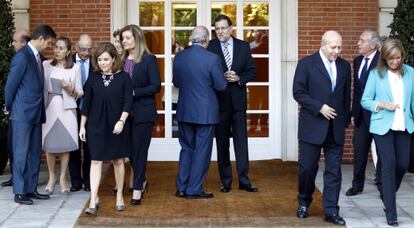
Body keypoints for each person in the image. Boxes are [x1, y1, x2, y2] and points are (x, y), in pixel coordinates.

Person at [292, 30, 351, 225]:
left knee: (334, 171)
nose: (337, 51)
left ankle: (331, 211)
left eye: (339, 47)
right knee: (307, 169)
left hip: (335, 128)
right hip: (312, 126)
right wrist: (320, 107)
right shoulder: (306, 64)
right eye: (333, 47)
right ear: (323, 44)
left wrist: (344, 121)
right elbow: (298, 92)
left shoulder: (344, 66)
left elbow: (345, 96)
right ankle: (303, 202)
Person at [361, 38, 414, 227]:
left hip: (404, 126)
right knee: (389, 165)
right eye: (391, 59)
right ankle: (391, 212)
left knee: (402, 165)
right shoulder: (376, 74)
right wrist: (382, 104)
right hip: (382, 126)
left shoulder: (411, 73)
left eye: (398, 58)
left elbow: (413, 102)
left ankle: (386, 191)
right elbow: (365, 100)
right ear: (384, 58)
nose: (395, 62)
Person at [5, 24, 57, 205]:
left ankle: (30, 188)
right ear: (41, 39)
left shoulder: (37, 57)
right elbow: (11, 86)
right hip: (22, 113)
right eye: (49, 43)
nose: (49, 46)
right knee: (20, 153)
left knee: (35, 152)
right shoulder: (22, 56)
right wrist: (8, 106)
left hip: (36, 112)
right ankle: (19, 192)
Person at [174, 25, 227, 199]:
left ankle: (181, 187)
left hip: (185, 110)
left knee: (186, 149)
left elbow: (176, 82)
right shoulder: (212, 58)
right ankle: (194, 189)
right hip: (205, 112)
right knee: (202, 151)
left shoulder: (180, 57)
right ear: (205, 40)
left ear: (191, 39)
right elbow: (221, 85)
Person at [207, 14, 258, 193]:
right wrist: (220, 77)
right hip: (219, 102)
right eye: (217, 29)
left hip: (238, 102)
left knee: (241, 142)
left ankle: (244, 180)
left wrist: (239, 78)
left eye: (223, 28)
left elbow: (252, 71)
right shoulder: (211, 46)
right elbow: (206, 72)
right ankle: (226, 181)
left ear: (231, 28)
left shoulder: (243, 46)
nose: (220, 32)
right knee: (222, 143)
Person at [80, 42, 132, 215]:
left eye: (105, 59)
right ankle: (94, 199)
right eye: (99, 59)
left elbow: (127, 102)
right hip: (95, 125)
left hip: (117, 125)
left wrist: (122, 121)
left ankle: (119, 196)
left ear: (114, 59)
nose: (102, 63)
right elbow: (86, 104)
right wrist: (82, 126)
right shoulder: (93, 77)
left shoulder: (124, 78)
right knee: (95, 161)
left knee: (117, 160)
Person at [120, 24, 161, 205]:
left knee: (139, 153)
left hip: (143, 113)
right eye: (123, 38)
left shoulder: (148, 59)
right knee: (127, 152)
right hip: (123, 115)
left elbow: (155, 86)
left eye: (127, 38)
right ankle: (140, 181)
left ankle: (137, 188)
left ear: (137, 38)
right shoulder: (120, 60)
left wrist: (134, 92)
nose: (124, 41)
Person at [42, 37, 83, 195]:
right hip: (50, 107)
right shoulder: (46, 65)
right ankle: (52, 178)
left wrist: (69, 88)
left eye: (61, 48)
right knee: (50, 145)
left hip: (67, 109)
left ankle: (63, 178)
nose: (57, 50)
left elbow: (80, 92)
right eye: (56, 47)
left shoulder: (75, 68)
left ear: (68, 51)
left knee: (66, 145)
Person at [346, 29, 381, 196]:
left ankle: (382, 184)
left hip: (379, 115)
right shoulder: (357, 61)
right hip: (361, 117)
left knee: (382, 151)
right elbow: (357, 89)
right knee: (359, 152)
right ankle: (357, 185)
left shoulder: (384, 61)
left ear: (372, 45)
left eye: (362, 41)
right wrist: (354, 112)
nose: (358, 43)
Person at [1, 29, 31, 188]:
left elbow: (12, 86)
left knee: (21, 149)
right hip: (17, 110)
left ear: (24, 42)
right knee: (14, 146)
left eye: (15, 40)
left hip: (23, 111)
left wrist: (8, 104)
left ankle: (22, 183)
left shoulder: (28, 58)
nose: (12, 43)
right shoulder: (19, 57)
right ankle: (16, 179)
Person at [69, 34, 93, 192]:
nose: (86, 53)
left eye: (89, 49)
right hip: (71, 109)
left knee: (89, 146)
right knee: (74, 146)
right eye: (83, 49)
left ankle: (88, 181)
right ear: (76, 47)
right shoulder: (68, 61)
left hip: (90, 110)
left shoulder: (97, 62)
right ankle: (75, 182)